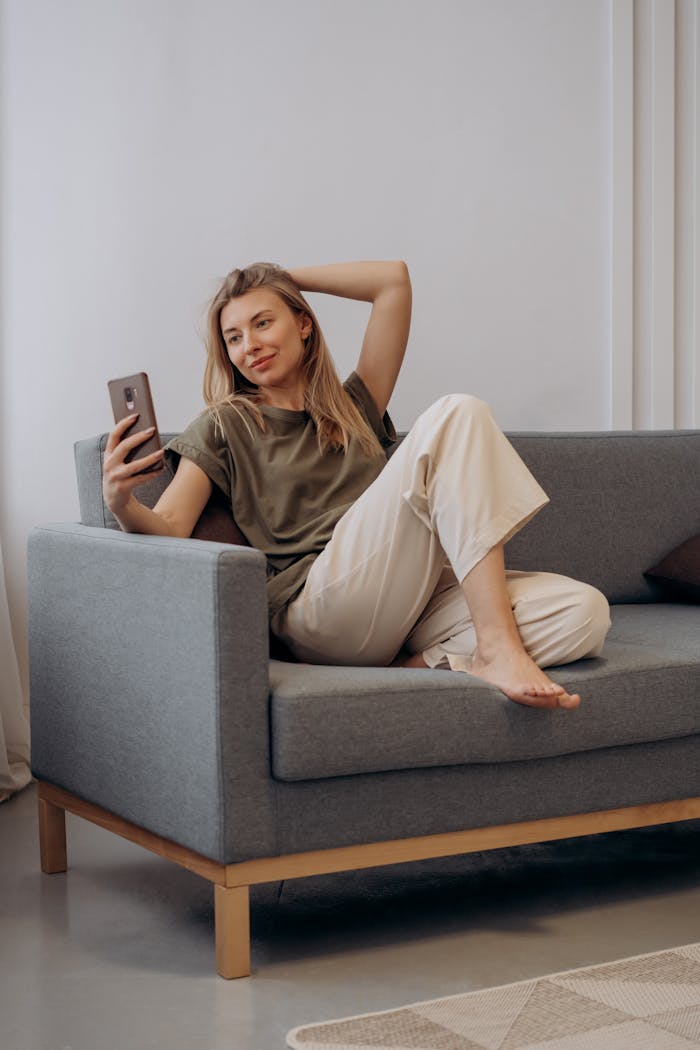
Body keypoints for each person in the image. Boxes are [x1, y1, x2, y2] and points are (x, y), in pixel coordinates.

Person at [103, 260, 610, 709]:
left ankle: (424, 668)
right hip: (320, 607)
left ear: (303, 324)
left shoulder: (353, 406)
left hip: (403, 604)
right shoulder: (224, 424)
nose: (249, 345)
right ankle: (497, 648)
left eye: (263, 322)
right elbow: (169, 529)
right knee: (459, 413)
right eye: (233, 337)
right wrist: (120, 501)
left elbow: (392, 281)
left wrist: (283, 279)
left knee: (583, 613)